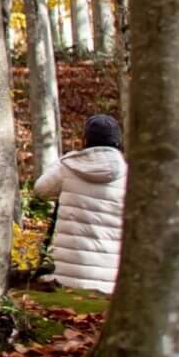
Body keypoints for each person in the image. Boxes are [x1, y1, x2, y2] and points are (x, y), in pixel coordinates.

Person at [35, 113, 127, 295]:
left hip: (67, 277)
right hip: (112, 278)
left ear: (85, 139)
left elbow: (40, 190)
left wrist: (61, 161)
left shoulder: (68, 166)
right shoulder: (128, 173)